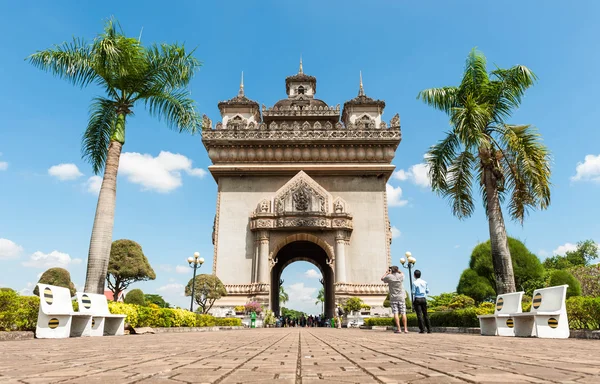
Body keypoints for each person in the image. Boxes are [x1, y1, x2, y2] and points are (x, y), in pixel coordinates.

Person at [381, 266, 408, 334]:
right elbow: (403, 273)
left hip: (393, 297)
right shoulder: (400, 276)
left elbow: (382, 279)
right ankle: (405, 329)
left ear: (391, 270)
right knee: (403, 313)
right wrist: (399, 271)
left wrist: (387, 273)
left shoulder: (389, 277)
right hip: (401, 297)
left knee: (396, 313)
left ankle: (399, 329)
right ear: (397, 270)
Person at [412, 269, 431, 334]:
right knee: (425, 314)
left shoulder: (414, 283)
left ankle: (422, 329)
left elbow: (413, 292)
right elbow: (427, 291)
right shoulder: (425, 282)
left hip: (417, 299)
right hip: (423, 298)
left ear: (414, 275)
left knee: (419, 315)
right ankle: (429, 329)